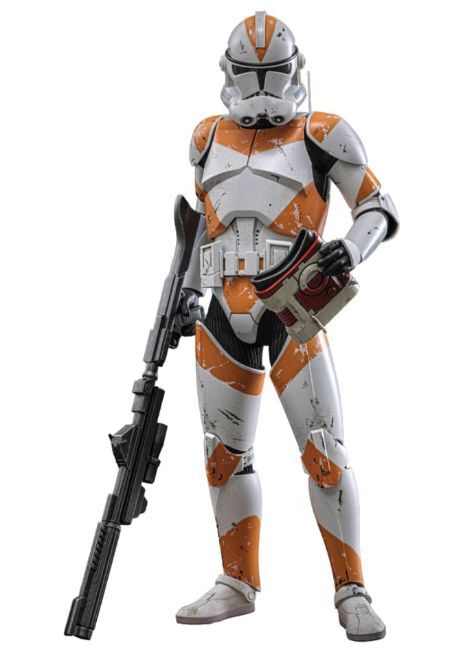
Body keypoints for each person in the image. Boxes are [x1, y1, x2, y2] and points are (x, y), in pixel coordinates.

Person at [173, 11, 399, 642]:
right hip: (223, 311)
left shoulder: (322, 133)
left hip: (294, 307)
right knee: (223, 455)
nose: (261, 86)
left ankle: (352, 589)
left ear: (294, 70)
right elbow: (201, 228)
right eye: (251, 74)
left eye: (272, 73)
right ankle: (236, 582)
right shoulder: (204, 138)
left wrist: (352, 248)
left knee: (324, 449)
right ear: (229, 73)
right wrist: (186, 294)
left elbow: (377, 206)